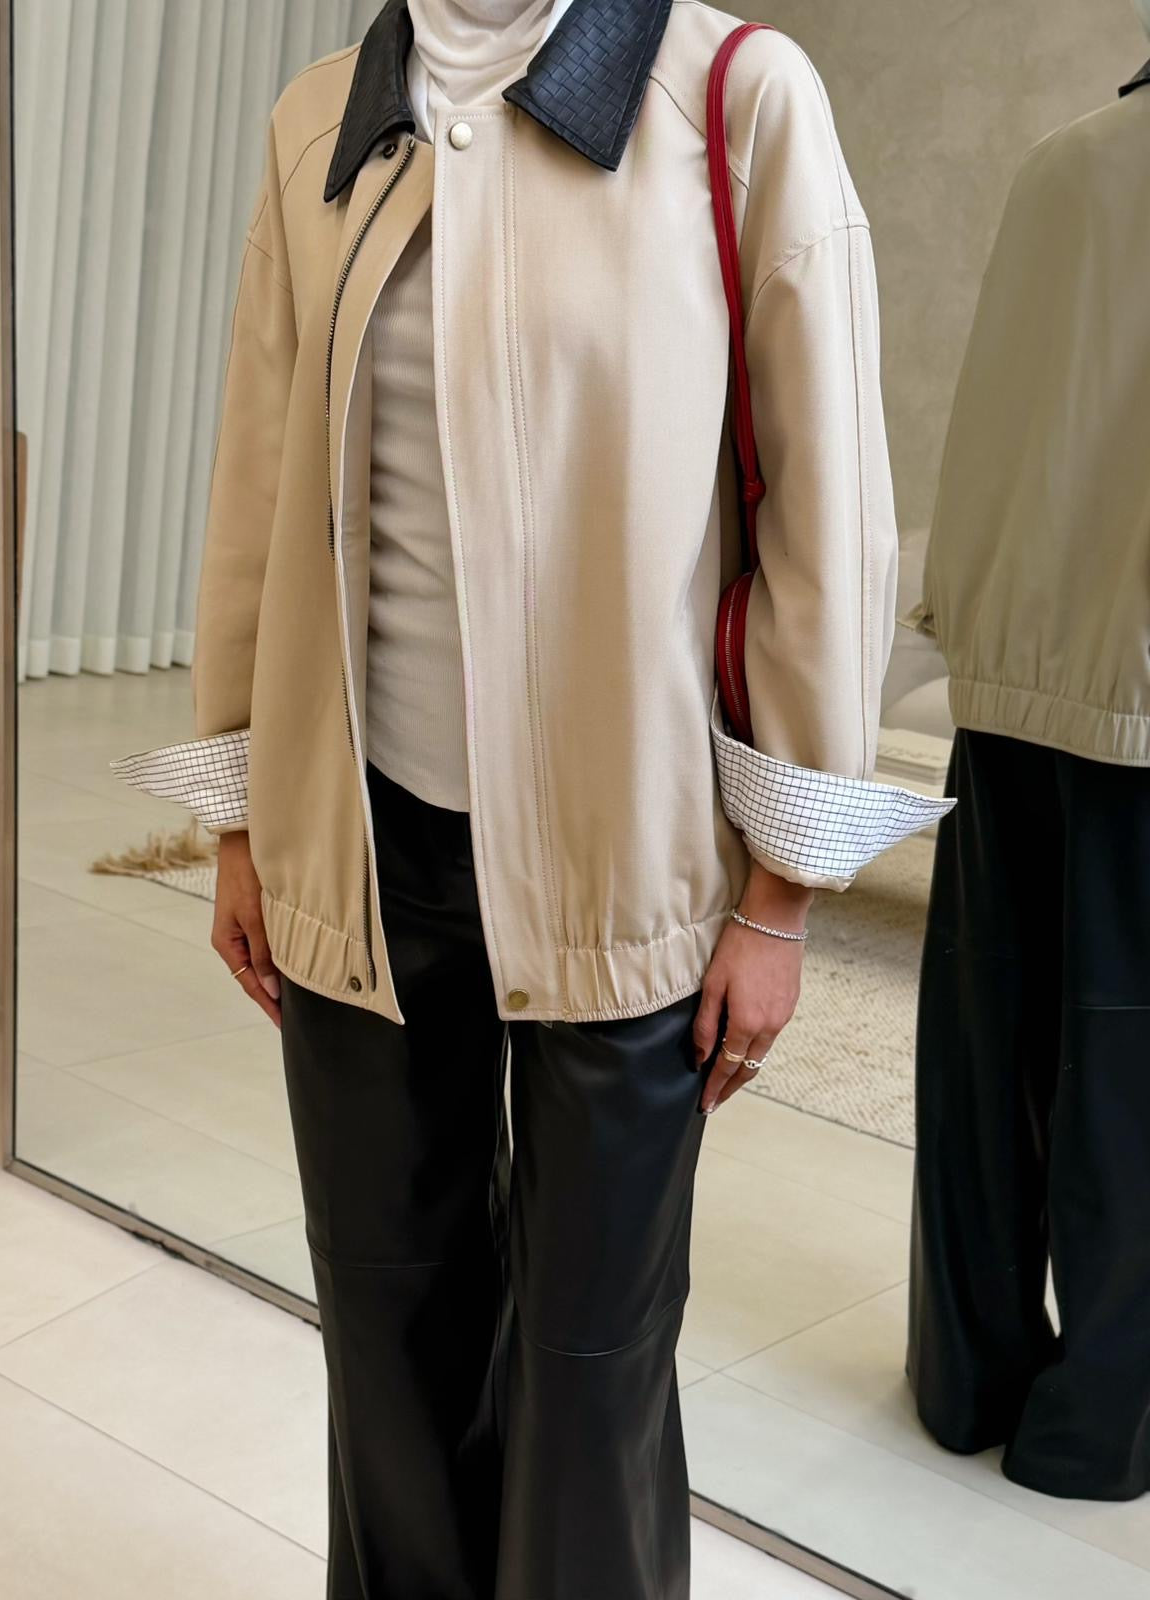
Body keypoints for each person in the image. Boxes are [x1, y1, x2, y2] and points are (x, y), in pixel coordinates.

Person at [114, 1, 945, 1593]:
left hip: (623, 861)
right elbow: (258, 490)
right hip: (363, 843)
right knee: (389, 1332)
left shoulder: (731, 96)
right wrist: (243, 820)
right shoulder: (321, 121)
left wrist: (780, 893)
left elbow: (824, 516)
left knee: (590, 1367)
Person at [906, 22, 1150, 1503]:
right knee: (1125, 1076)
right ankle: (1096, 1430)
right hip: (1140, 701)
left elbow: (993, 424)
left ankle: (965, 1381)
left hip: (1004, 683)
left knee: (985, 1054)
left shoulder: (1058, 168)